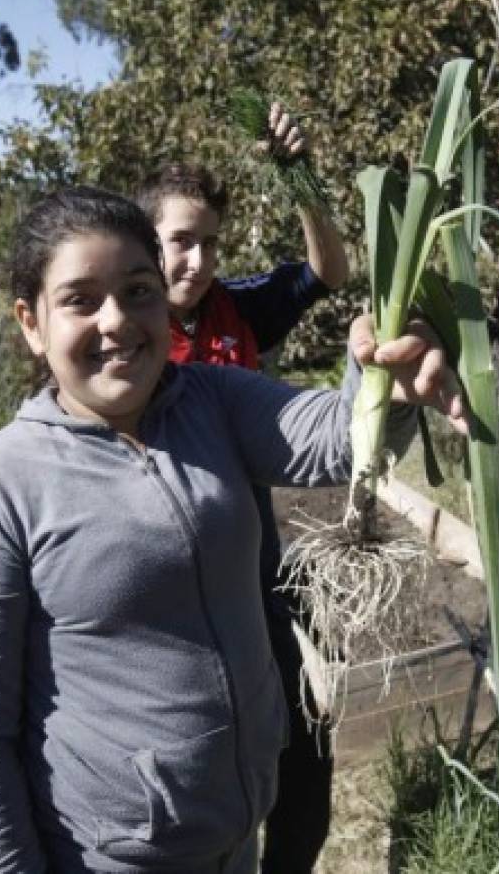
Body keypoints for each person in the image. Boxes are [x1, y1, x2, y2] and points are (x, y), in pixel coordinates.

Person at [0, 186, 465, 874]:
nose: (116, 320)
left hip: (235, 839)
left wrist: (383, 375)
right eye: (81, 300)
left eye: (137, 291)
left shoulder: (213, 399)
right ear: (31, 323)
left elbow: (337, 439)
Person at [136, 104, 347, 874]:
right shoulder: (125, 338)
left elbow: (330, 272)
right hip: (172, 578)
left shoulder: (236, 308)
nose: (195, 261)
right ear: (145, 243)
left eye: (208, 243)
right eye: (179, 242)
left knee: (300, 754)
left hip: (254, 559)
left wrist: (300, 178)